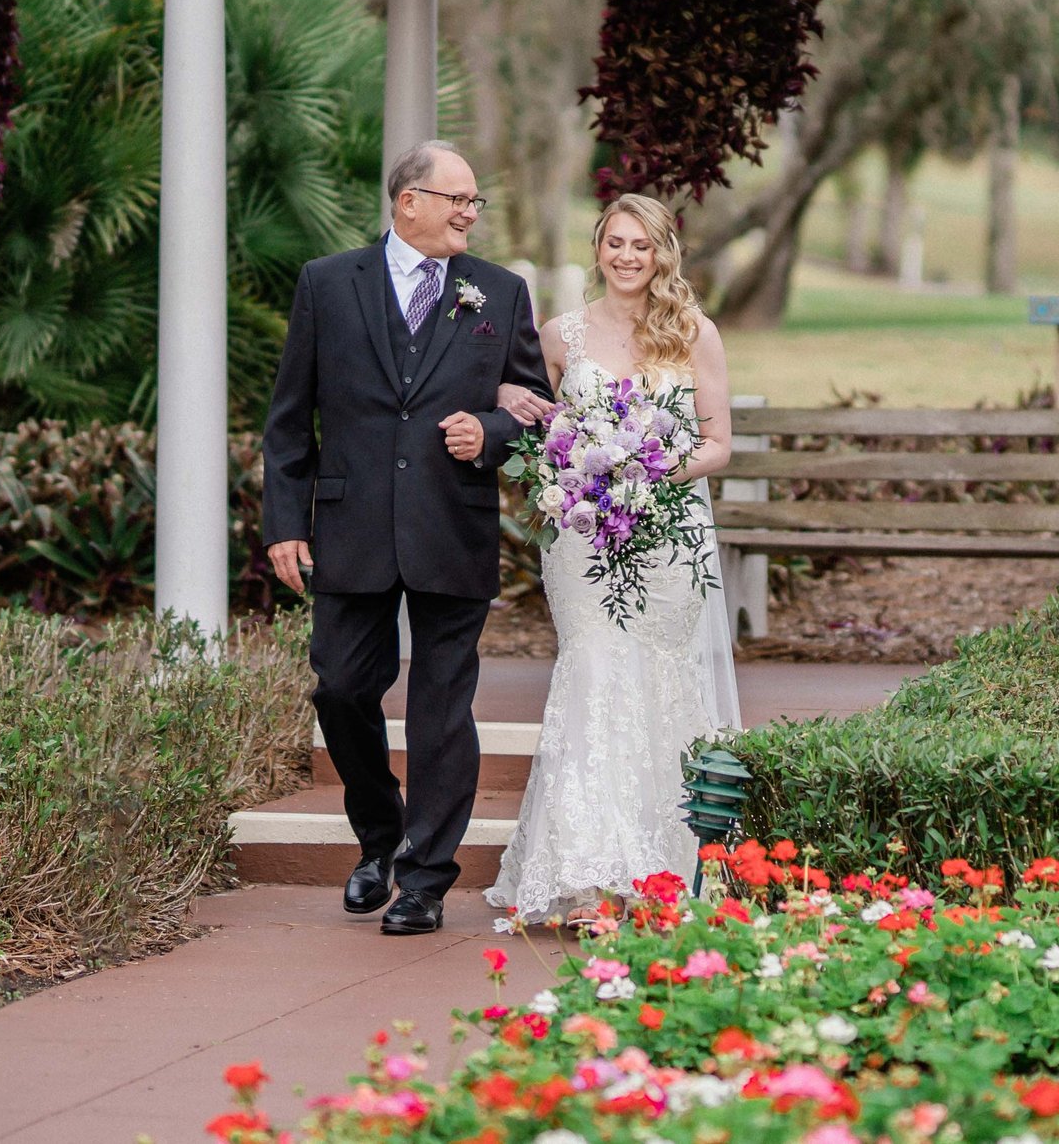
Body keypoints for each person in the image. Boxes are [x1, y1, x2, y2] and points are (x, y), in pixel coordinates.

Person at [261, 140, 552, 936]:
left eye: (474, 202)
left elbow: (536, 413)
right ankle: (380, 837)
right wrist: (285, 521)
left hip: (451, 523)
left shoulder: (499, 291)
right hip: (349, 522)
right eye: (454, 198)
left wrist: (489, 431)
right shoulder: (327, 283)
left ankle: (425, 877)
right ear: (407, 201)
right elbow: (290, 418)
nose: (468, 212)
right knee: (342, 687)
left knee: (441, 709)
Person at [486, 192, 741, 925]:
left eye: (642, 245)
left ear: (663, 253)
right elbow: (529, 416)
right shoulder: (559, 333)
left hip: (667, 536)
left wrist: (644, 471)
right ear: (597, 248)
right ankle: (588, 872)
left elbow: (717, 442)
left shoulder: (695, 332)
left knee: (659, 684)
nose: (627, 257)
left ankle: (663, 866)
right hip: (586, 537)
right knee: (593, 674)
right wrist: (540, 434)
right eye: (615, 243)